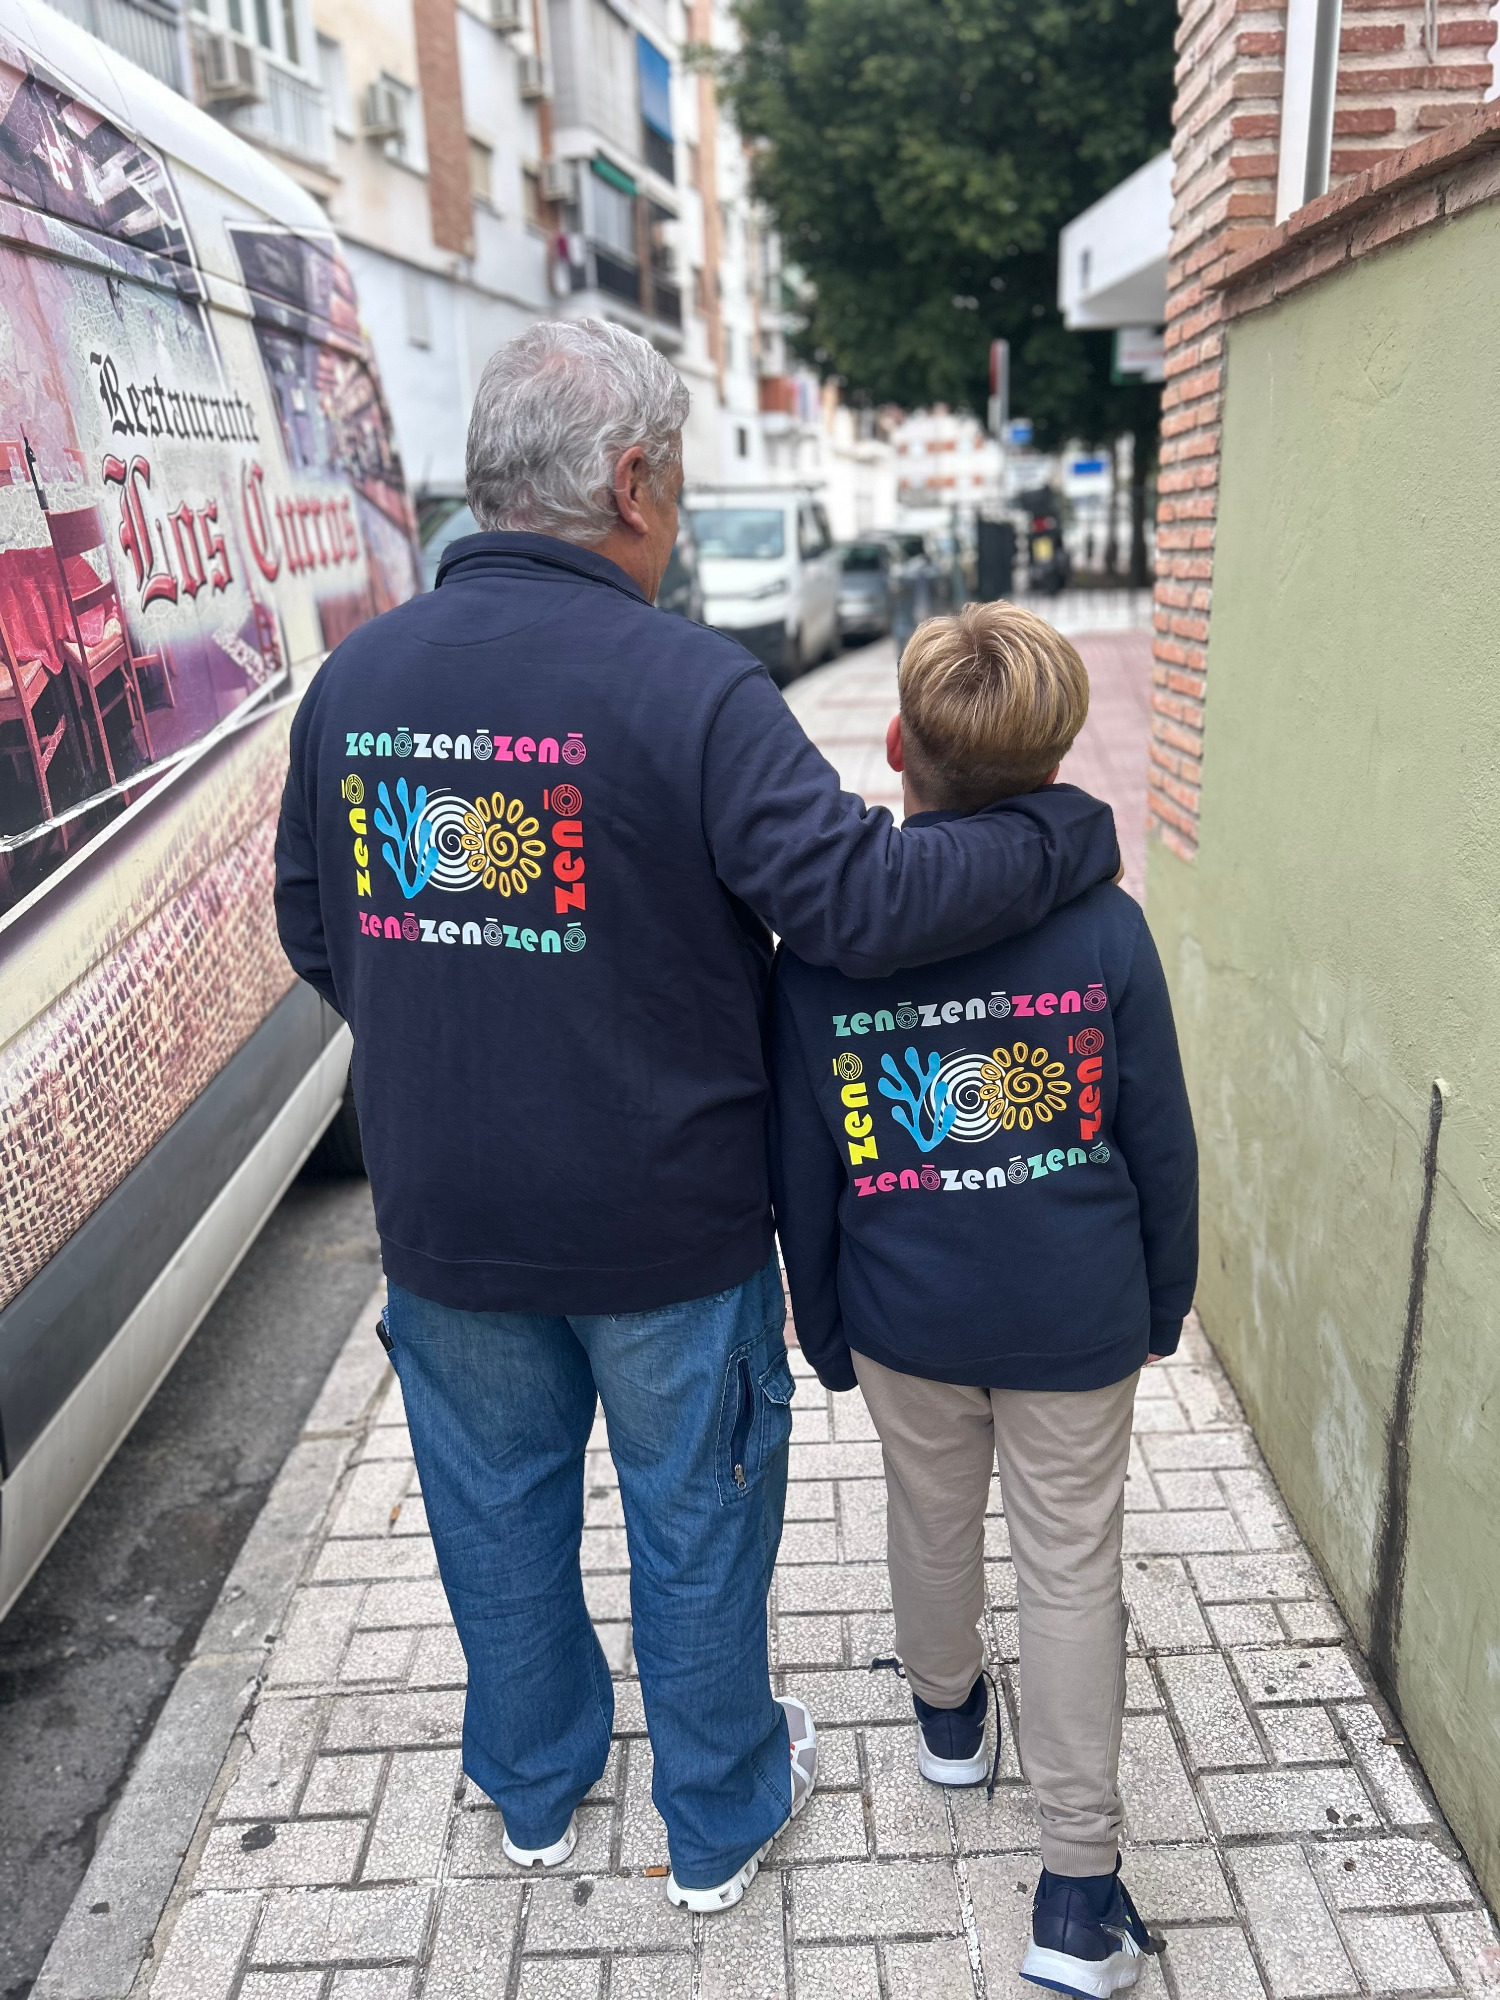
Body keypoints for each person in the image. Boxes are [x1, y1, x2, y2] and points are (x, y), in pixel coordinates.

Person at [273, 321, 1121, 1914]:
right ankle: (719, 1815)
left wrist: (461, 1034)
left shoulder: (355, 684)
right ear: (631, 481)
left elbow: (316, 930)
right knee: (696, 1519)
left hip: (449, 1214)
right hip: (666, 1219)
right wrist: (1057, 840)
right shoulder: (689, 685)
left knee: (493, 1509)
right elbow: (862, 903)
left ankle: (534, 1788)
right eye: (676, 476)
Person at [769, 601, 1197, 1993]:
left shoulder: (820, 951)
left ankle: (949, 1727)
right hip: (1076, 1314)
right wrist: (1162, 1303)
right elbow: (1159, 1141)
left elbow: (802, 1164)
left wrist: (826, 1322)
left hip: (907, 1314)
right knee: (1072, 1567)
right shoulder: (1109, 932)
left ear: (900, 748)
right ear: (1059, 758)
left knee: (929, 1516)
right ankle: (1075, 1897)